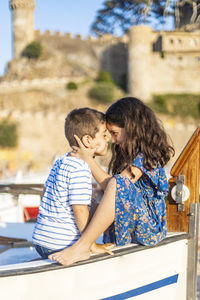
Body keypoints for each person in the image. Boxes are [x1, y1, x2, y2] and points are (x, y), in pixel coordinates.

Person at [48, 97, 175, 266]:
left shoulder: (146, 158)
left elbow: (116, 186)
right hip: (130, 221)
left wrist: (88, 160)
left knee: (117, 183)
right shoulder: (127, 155)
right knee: (88, 201)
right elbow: (114, 189)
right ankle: (58, 243)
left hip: (149, 229)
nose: (113, 140)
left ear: (131, 128)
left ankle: (82, 246)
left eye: (114, 133)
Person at [32, 107, 114, 258]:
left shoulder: (61, 161)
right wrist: (90, 244)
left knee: (95, 203)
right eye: (104, 135)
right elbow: (80, 210)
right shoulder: (80, 167)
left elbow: (45, 193)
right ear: (88, 141)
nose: (108, 139)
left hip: (41, 240)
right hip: (61, 243)